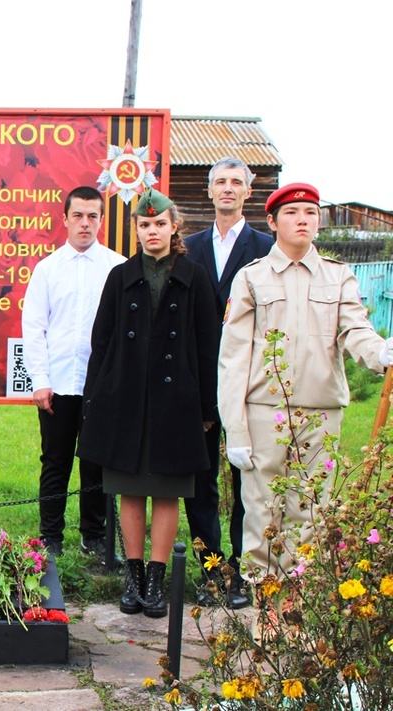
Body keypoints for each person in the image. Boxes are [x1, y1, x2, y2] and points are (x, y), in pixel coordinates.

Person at [218, 182, 391, 580]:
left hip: (320, 414)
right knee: (262, 516)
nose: (302, 220)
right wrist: (237, 429)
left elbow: (354, 330)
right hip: (264, 414)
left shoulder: (338, 276)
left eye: (310, 213)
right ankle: (264, 621)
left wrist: (379, 353)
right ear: (273, 221)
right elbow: (233, 359)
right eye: (293, 213)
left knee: (311, 511)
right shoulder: (251, 278)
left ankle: (300, 621)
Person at [78, 188, 220, 618]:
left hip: (176, 403)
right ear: (136, 230)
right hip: (126, 401)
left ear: (174, 226)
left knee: (166, 492)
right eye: (144, 225)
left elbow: (207, 345)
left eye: (159, 223)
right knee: (130, 491)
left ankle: (157, 579)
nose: (152, 231)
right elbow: (100, 342)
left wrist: (207, 409)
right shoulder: (120, 277)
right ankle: (133, 576)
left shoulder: (194, 276)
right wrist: (94, 400)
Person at [183, 158, 273, 609]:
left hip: (248, 379)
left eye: (236, 182)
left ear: (248, 193)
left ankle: (243, 566)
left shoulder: (265, 246)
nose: (228, 189)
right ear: (209, 190)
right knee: (200, 477)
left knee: (245, 479)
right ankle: (213, 570)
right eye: (220, 181)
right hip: (200, 377)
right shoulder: (190, 246)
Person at [21, 186, 125, 559]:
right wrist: (40, 382)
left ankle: (94, 535)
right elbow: (34, 328)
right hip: (58, 385)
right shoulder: (47, 269)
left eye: (92, 216)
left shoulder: (117, 267)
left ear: (101, 220)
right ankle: (50, 537)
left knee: (95, 463)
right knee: (56, 461)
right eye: (78, 216)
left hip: (101, 386)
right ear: (64, 219)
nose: (85, 223)